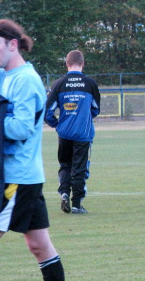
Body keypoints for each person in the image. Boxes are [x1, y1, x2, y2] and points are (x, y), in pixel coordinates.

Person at [0, 18, 65, 280]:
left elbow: (22, 128)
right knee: (39, 246)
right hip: (21, 176)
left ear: (13, 44)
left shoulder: (25, 80)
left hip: (16, 179)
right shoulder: (2, 76)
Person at [45, 50, 101, 214]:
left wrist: (58, 125)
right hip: (83, 134)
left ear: (66, 64)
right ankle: (76, 204)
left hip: (64, 134)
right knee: (80, 168)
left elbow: (48, 112)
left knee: (65, 165)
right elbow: (96, 109)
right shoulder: (90, 83)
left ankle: (64, 193)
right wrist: (83, 118)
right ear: (82, 63)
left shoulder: (58, 84)